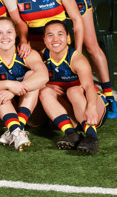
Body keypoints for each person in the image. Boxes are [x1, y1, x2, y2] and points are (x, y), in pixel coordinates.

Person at [0, 17, 49, 151]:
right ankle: (17, 131)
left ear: (16, 34)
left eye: (9, 32)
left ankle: (17, 128)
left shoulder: (27, 54)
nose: (5, 37)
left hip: (31, 116)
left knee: (31, 75)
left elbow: (43, 76)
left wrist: (12, 91)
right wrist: (7, 84)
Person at [39, 20, 107, 154]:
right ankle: (71, 133)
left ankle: (92, 137)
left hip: (89, 105)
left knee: (74, 90)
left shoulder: (77, 59)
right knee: (44, 91)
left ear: (68, 38)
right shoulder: (40, 57)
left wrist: (92, 107)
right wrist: (46, 84)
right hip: (68, 109)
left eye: (60, 34)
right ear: (44, 40)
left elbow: (89, 87)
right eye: (50, 35)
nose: (55, 39)